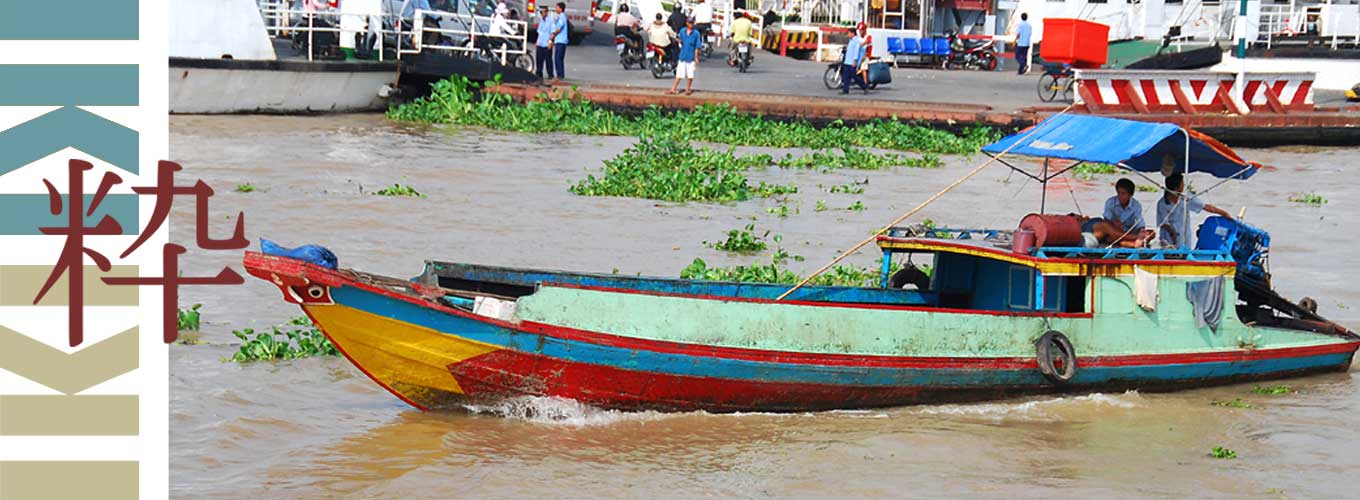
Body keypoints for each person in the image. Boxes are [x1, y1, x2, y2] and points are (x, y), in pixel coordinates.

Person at [1156, 172, 1233, 248]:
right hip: (1168, 237)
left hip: (1184, 234)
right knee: (1170, 252)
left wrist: (1224, 214)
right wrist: (1172, 233)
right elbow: (1164, 223)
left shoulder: (1186, 198)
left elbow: (1205, 206)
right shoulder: (1162, 203)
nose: (1184, 186)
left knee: (1184, 251)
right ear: (1176, 187)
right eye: (1182, 184)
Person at [668, 17, 702, 95]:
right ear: (687, 23)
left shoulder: (696, 33)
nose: (691, 24)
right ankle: (673, 88)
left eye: (692, 23)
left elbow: (697, 46)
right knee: (679, 74)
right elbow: (681, 40)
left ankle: (688, 89)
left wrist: (696, 57)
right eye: (690, 23)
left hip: (691, 56)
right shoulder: (682, 31)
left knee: (690, 74)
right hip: (683, 55)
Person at [841, 23, 869, 94]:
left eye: (849, 33)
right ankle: (845, 90)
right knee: (846, 77)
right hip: (847, 61)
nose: (848, 35)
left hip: (852, 62)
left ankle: (864, 86)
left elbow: (856, 51)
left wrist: (855, 61)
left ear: (853, 33)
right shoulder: (851, 40)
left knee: (855, 77)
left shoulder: (856, 41)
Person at [550, 2, 569, 82]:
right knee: (559, 58)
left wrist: (553, 34)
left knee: (558, 58)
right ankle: (560, 75)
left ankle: (560, 75)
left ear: (561, 9)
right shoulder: (561, 17)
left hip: (561, 41)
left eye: (557, 7)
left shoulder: (562, 17)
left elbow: (559, 29)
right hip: (560, 41)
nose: (556, 9)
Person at [534, 8, 555, 80]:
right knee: (539, 60)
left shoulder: (550, 21)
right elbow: (540, 32)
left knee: (548, 60)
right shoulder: (541, 21)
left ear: (546, 12)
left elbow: (552, 33)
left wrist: (550, 42)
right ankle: (539, 74)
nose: (541, 14)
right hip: (540, 43)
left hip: (546, 43)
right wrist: (537, 42)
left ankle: (550, 75)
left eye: (542, 12)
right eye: (540, 12)